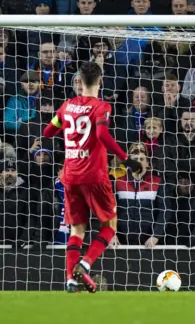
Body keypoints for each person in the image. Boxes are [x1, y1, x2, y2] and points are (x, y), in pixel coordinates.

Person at [41, 62, 142, 293]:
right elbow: (102, 135)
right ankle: (85, 264)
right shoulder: (102, 106)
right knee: (110, 225)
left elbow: (47, 132)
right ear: (100, 81)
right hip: (94, 176)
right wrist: (127, 160)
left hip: (70, 175)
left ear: (79, 82)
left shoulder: (66, 107)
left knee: (77, 230)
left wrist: (65, 132)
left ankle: (70, 280)